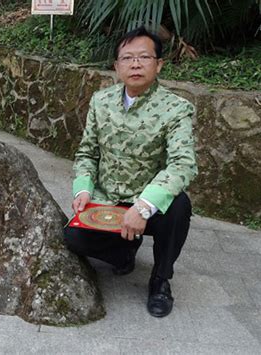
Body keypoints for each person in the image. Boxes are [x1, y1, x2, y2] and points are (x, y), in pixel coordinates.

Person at [64, 26, 197, 318]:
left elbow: (182, 164)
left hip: (148, 203)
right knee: (72, 238)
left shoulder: (176, 109)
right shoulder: (101, 102)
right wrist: (83, 190)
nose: (135, 64)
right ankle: (124, 250)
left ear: (158, 64)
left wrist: (145, 206)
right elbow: (88, 152)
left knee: (179, 207)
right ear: (117, 66)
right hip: (108, 199)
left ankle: (161, 280)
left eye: (144, 57)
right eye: (127, 58)